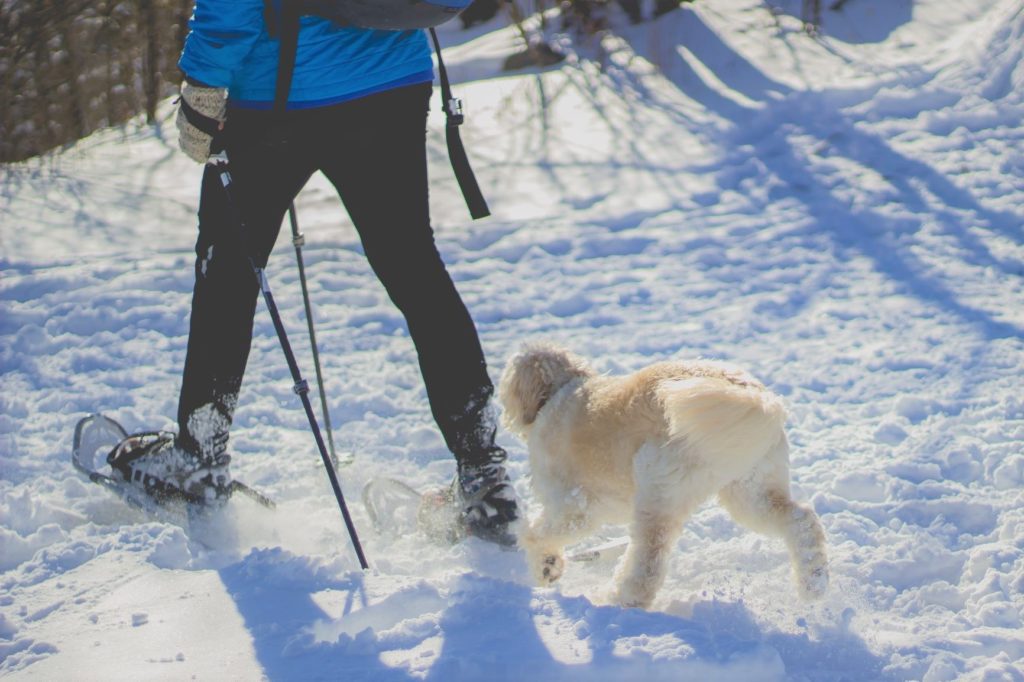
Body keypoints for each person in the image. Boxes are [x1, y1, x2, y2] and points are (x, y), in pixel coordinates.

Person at [108, 1, 518, 546]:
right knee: (414, 268)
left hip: (273, 97)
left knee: (228, 273)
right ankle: (483, 477)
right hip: (391, 81)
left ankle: (198, 457)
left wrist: (204, 85)